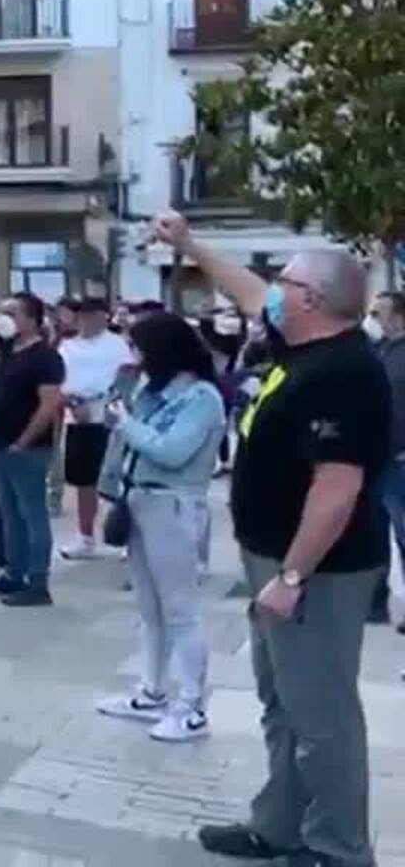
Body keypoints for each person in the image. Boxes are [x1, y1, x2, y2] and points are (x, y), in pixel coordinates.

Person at [152, 219, 390, 867]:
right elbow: (252, 293)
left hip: (318, 571)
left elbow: (336, 489)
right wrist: (191, 246)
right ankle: (280, 825)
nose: (273, 292)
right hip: (275, 557)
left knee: (323, 717)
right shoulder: (302, 343)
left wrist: (291, 577)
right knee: (281, 703)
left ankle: (339, 848)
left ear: (312, 299)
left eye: (287, 281)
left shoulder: (346, 372)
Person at [91, 311, 224, 743]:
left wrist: (125, 423)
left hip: (174, 504)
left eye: (139, 347)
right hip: (138, 500)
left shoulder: (202, 398)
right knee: (149, 609)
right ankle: (152, 691)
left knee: (180, 609)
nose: (134, 355)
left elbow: (172, 451)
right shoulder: (151, 390)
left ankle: (192, 705)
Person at [0, 294, 65, 608]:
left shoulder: (45, 358)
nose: (4, 318)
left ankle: (38, 581)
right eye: (3, 312)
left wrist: (24, 441)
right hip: (4, 445)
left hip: (27, 448)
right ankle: (14, 574)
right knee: (10, 514)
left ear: (32, 319)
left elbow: (49, 405)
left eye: (12, 313)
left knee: (32, 515)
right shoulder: (9, 349)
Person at [59, 298, 133, 561]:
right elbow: (59, 380)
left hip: (110, 415)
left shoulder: (118, 346)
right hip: (78, 416)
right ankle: (85, 536)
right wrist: (72, 402)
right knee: (83, 481)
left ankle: (125, 536)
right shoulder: (67, 346)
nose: (88, 320)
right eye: (84, 315)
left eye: (94, 315)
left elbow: (127, 380)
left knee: (117, 477)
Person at [371, 292, 405, 631]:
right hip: (382, 458)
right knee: (382, 533)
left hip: (400, 459)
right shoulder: (383, 350)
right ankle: (376, 602)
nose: (375, 319)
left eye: (379, 313)